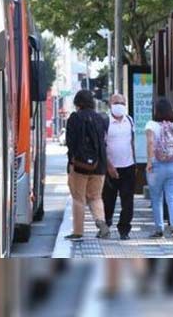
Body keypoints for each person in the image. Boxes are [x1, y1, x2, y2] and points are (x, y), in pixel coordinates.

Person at [64, 89, 110, 241]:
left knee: (78, 198)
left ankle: (78, 232)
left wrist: (72, 162)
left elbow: (70, 143)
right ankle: (101, 222)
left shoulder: (74, 118)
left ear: (77, 103)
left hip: (79, 165)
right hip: (99, 164)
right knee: (95, 197)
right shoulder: (100, 118)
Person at [146, 97, 173, 241]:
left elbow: (150, 143)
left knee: (156, 198)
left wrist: (149, 162)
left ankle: (159, 229)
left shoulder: (151, 125)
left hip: (157, 166)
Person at [102, 93, 136, 240]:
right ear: (110, 104)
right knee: (108, 200)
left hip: (128, 166)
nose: (119, 106)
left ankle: (124, 229)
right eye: (116, 102)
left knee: (128, 201)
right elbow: (102, 146)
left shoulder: (130, 120)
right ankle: (106, 225)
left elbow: (132, 142)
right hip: (110, 168)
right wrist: (109, 166)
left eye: (122, 103)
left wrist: (135, 162)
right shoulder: (105, 122)